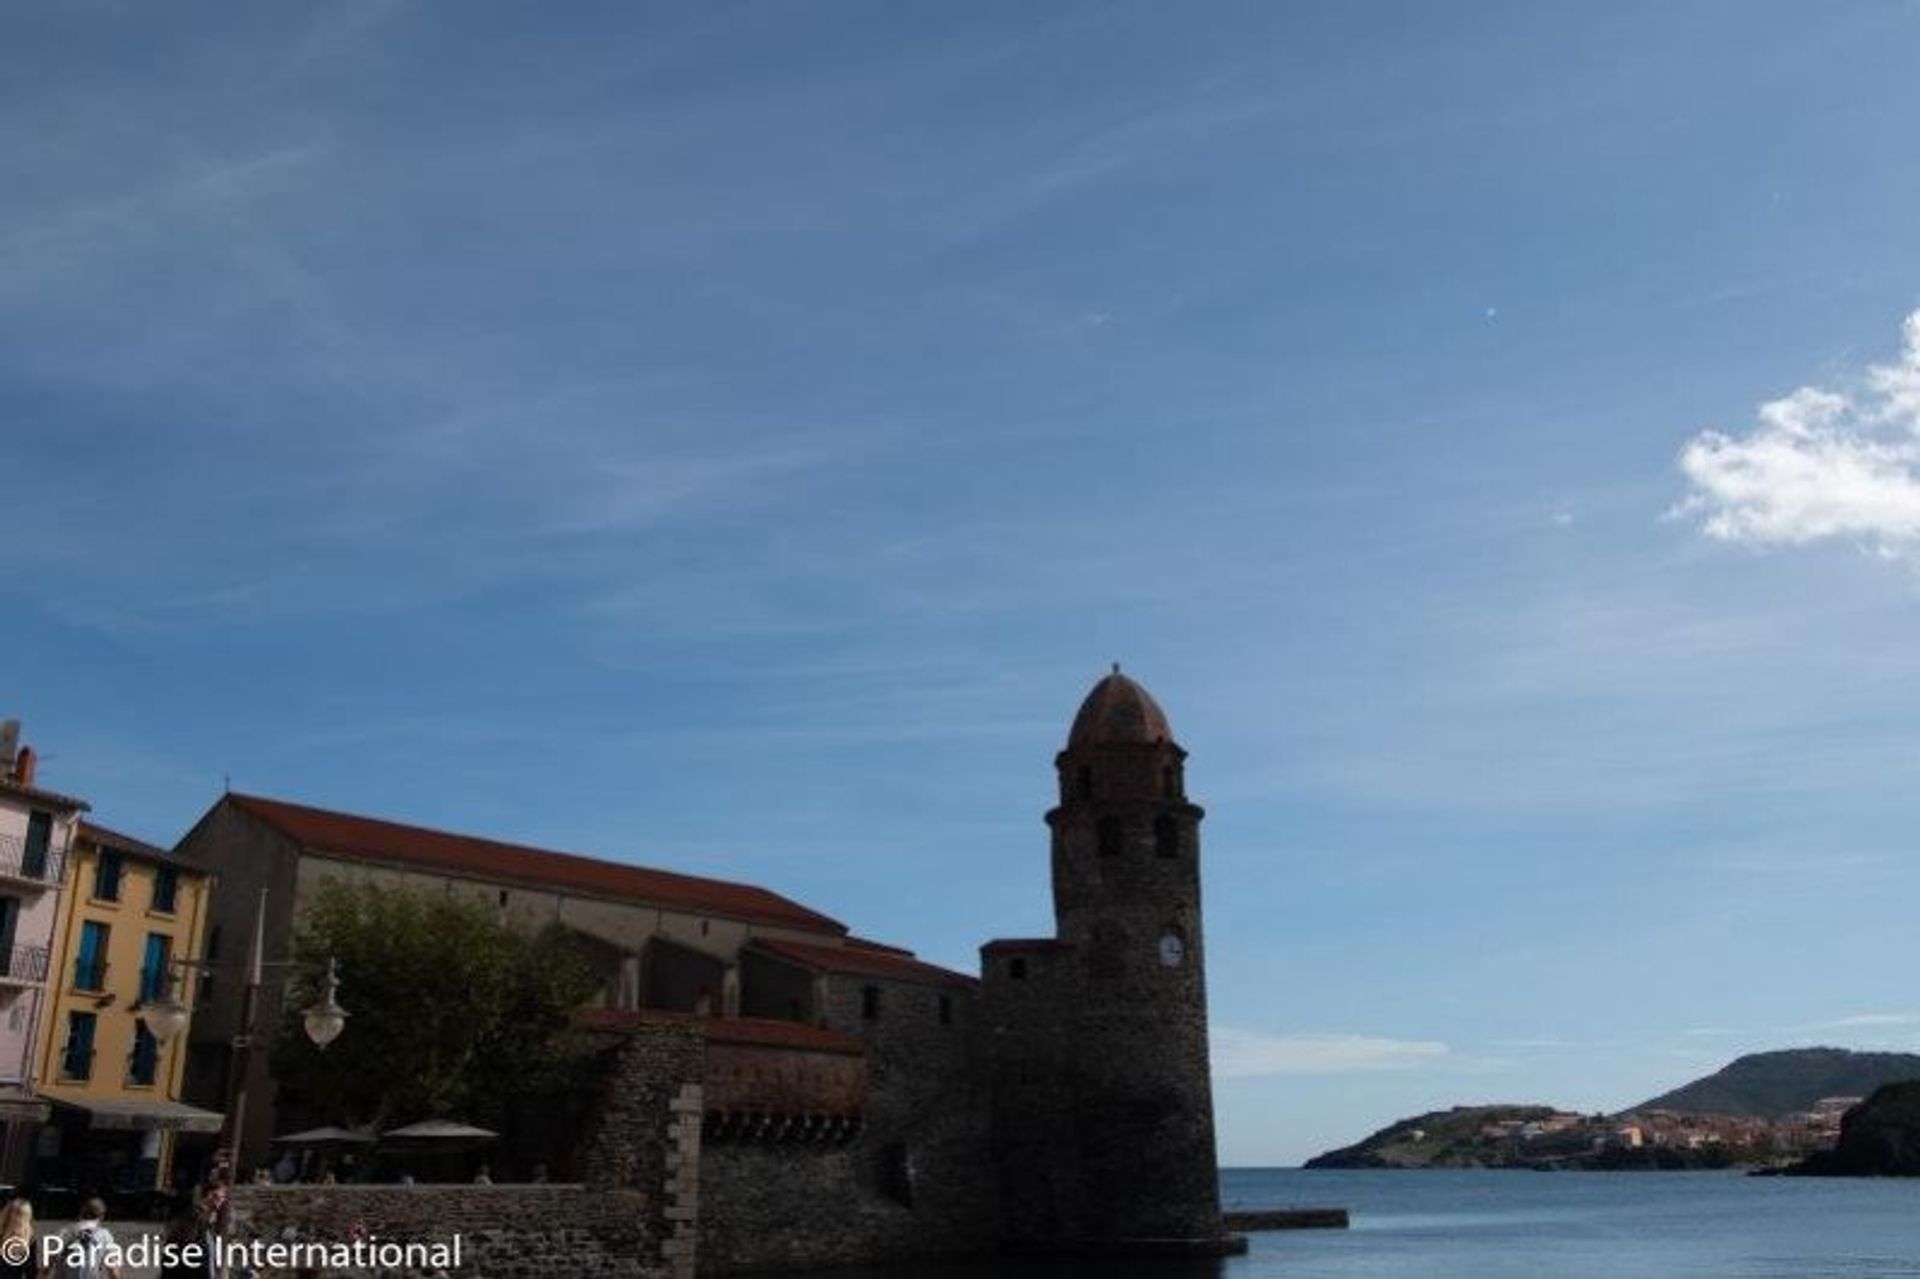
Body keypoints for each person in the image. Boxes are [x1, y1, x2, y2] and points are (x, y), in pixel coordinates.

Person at [41, 1197, 120, 1279]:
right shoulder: (105, 1236)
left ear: (81, 1213)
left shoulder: (63, 1233)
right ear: (102, 1216)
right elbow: (114, 1273)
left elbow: (45, 1269)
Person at [0, 1198, 34, 1279]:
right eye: (17, 1214)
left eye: (24, 1216)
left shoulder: (30, 1240)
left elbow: (31, 1273)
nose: (19, 1219)